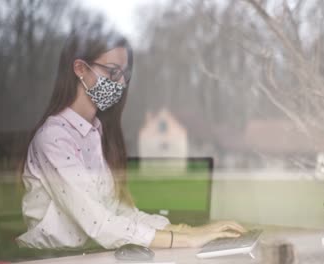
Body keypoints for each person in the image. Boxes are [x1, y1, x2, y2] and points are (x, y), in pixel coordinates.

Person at [16, 28, 246, 251]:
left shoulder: (95, 134)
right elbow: (99, 224)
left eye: (124, 75)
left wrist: (191, 230)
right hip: (51, 259)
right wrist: (187, 239)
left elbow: (121, 213)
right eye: (113, 72)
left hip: (91, 254)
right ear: (80, 68)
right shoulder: (53, 138)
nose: (121, 84)